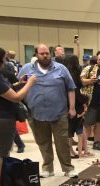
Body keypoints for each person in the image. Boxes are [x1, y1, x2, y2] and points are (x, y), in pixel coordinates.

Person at [0, 45, 37, 186]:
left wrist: (20, 83)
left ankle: (2, 180)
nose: (5, 62)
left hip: (0, 115)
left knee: (3, 150)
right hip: (0, 117)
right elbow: (16, 97)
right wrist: (30, 84)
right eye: (3, 59)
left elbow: (6, 89)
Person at [18, 44, 76, 178]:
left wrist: (72, 108)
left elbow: (71, 88)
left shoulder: (61, 68)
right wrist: (21, 83)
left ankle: (68, 168)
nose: (45, 56)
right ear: (36, 55)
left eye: (47, 53)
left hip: (59, 113)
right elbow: (18, 87)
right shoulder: (27, 69)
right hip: (36, 114)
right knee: (43, 143)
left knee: (62, 143)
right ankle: (48, 168)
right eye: (42, 54)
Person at [63, 55, 89, 159]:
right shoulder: (73, 75)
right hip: (74, 104)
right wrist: (85, 99)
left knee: (70, 128)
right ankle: (69, 150)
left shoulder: (64, 74)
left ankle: (70, 150)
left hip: (66, 103)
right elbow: (75, 92)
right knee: (71, 129)